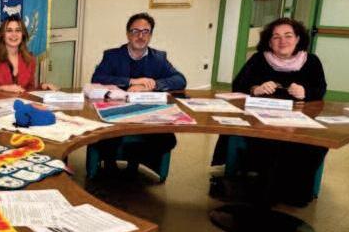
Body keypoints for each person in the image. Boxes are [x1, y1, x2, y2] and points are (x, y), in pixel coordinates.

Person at [213, 17, 327, 206]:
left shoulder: (311, 61)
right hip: (261, 120)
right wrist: (255, 88)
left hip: (299, 120)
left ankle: (293, 192)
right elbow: (238, 85)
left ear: (298, 38)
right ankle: (268, 192)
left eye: (288, 36)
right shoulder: (259, 59)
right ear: (269, 41)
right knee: (272, 141)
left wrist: (305, 92)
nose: (283, 41)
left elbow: (320, 90)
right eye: (276, 37)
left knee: (312, 144)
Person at [90, 12, 186, 175]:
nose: (140, 36)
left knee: (168, 140)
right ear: (128, 34)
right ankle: (110, 164)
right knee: (105, 136)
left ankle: (134, 160)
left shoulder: (159, 58)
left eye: (145, 31)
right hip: (115, 111)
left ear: (150, 35)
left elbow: (180, 79)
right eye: (135, 31)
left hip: (146, 114)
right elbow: (97, 78)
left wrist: (152, 84)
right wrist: (131, 81)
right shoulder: (112, 55)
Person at [0, 16, 58, 96]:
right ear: (2, 35)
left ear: (22, 35)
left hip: (21, 103)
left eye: (18, 30)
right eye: (9, 30)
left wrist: (43, 87)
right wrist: (2, 88)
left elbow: (29, 90)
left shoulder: (29, 59)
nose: (14, 34)